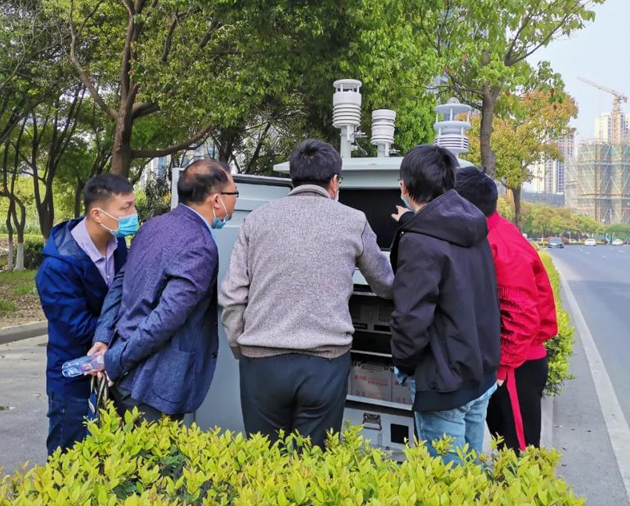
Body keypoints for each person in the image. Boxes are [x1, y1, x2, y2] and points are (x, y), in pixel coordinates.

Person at [219, 139, 394, 448]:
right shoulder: (354, 220)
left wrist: (240, 347)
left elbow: (233, 294)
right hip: (325, 364)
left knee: (264, 461)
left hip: (262, 364)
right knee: (312, 465)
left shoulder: (256, 219)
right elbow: (385, 284)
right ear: (334, 181)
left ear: (292, 178)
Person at [100, 159, 235, 422]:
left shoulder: (153, 225)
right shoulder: (200, 245)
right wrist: (115, 362)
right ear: (217, 200)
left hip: (126, 370)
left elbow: (119, 285)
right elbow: (166, 318)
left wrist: (103, 339)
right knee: (153, 450)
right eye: (234, 193)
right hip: (153, 383)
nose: (236, 199)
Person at [389, 145, 500, 464]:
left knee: (445, 480)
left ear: (404, 188)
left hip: (443, 382)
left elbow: (410, 317)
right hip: (479, 375)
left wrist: (404, 366)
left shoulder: (419, 240)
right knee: (469, 476)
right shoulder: (474, 225)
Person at [455, 166, 558, 452]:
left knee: (519, 453)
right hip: (509, 362)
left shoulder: (500, 244)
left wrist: (501, 367)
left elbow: (519, 314)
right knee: (508, 447)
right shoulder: (493, 232)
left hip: (515, 366)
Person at [36, 173, 137, 455]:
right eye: (126, 207)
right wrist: (131, 334)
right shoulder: (58, 266)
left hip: (112, 371)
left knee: (112, 460)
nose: (133, 214)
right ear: (97, 214)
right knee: (69, 459)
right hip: (74, 378)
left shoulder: (118, 245)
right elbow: (78, 328)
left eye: (133, 205)